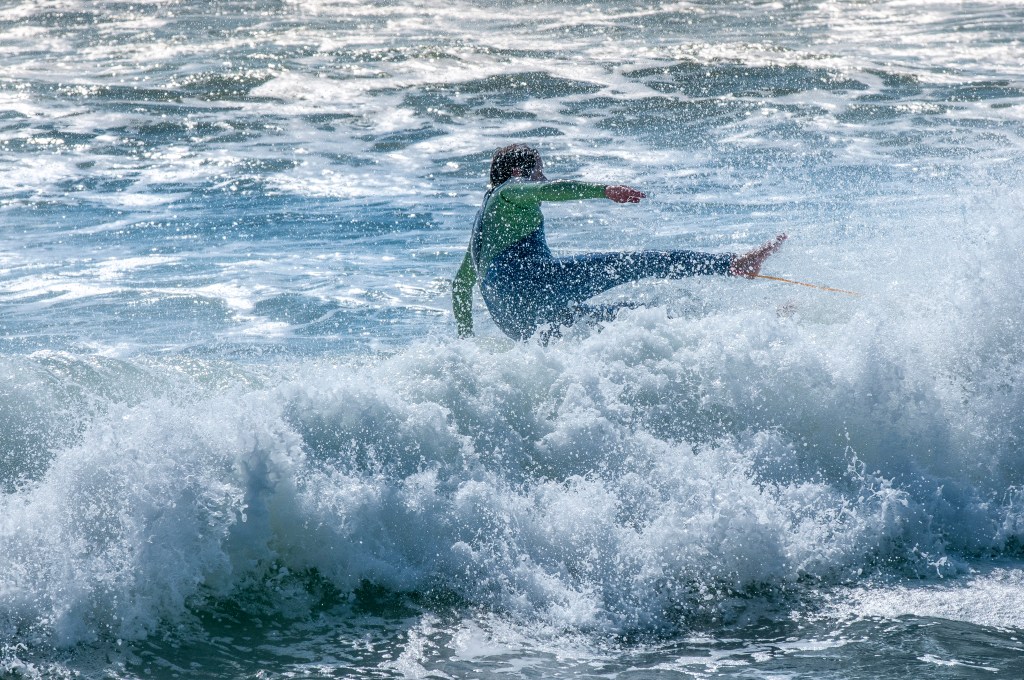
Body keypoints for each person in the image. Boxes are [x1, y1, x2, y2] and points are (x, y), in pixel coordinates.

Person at [452, 143, 786, 341]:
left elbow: (461, 285)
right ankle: (734, 264)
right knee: (639, 263)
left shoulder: (484, 223)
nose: (544, 177)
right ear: (516, 171)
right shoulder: (510, 192)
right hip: (537, 287)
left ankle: (749, 327)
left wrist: (466, 343)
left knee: (631, 322)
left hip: (517, 322)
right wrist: (604, 190)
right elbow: (546, 191)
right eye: (539, 170)